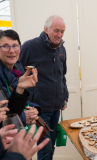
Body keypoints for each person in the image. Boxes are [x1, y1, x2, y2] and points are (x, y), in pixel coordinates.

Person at [19, 15, 69, 160]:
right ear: (46, 29)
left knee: (51, 145)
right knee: (45, 147)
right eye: (56, 30)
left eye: (63, 31)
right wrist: (24, 103)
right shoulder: (29, 47)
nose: (59, 35)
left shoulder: (62, 50)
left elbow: (62, 76)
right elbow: (17, 75)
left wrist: (64, 96)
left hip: (56, 108)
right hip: (39, 109)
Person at [0, 30, 40, 127]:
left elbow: (13, 106)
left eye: (15, 46)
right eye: (5, 46)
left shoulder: (17, 68)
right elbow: (4, 112)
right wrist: (22, 117)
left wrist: (35, 108)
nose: (11, 50)